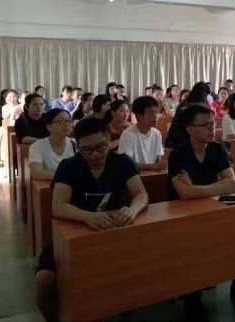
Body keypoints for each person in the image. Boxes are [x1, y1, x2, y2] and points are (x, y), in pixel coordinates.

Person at [35, 117, 148, 322]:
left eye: (100, 147)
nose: (95, 154)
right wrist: (86, 216)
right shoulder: (68, 167)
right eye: (86, 150)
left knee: (136, 269)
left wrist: (132, 211)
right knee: (44, 280)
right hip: (72, 234)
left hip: (113, 232)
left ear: (109, 140)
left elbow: (141, 194)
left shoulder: (122, 162)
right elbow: (58, 206)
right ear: (77, 146)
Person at [167, 103, 235, 319]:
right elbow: (184, 194)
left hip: (212, 209)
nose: (212, 128)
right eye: (205, 125)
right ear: (190, 129)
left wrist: (197, 189)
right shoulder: (178, 154)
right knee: (192, 245)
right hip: (182, 214)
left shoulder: (217, 149)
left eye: (212, 123)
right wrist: (215, 187)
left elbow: (232, 184)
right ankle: (192, 295)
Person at [118, 96, 166, 171]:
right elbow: (126, 163)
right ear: (139, 115)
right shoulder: (128, 134)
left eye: (156, 112)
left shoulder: (157, 134)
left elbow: (158, 159)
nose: (155, 116)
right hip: (134, 175)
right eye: (150, 112)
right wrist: (152, 167)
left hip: (152, 174)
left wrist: (160, 166)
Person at [29, 109, 76, 181]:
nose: (66, 124)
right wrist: (64, 177)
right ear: (49, 127)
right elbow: (36, 173)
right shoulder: (37, 146)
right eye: (60, 121)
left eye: (68, 120)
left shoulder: (76, 144)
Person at [0, 90, 23, 165]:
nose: (12, 98)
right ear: (6, 98)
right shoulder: (5, 107)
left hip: (20, 127)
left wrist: (16, 107)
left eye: (14, 96)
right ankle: (2, 159)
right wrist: (12, 108)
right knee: (3, 134)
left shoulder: (21, 106)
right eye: (9, 96)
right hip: (9, 127)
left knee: (1, 130)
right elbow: (5, 117)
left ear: (17, 97)